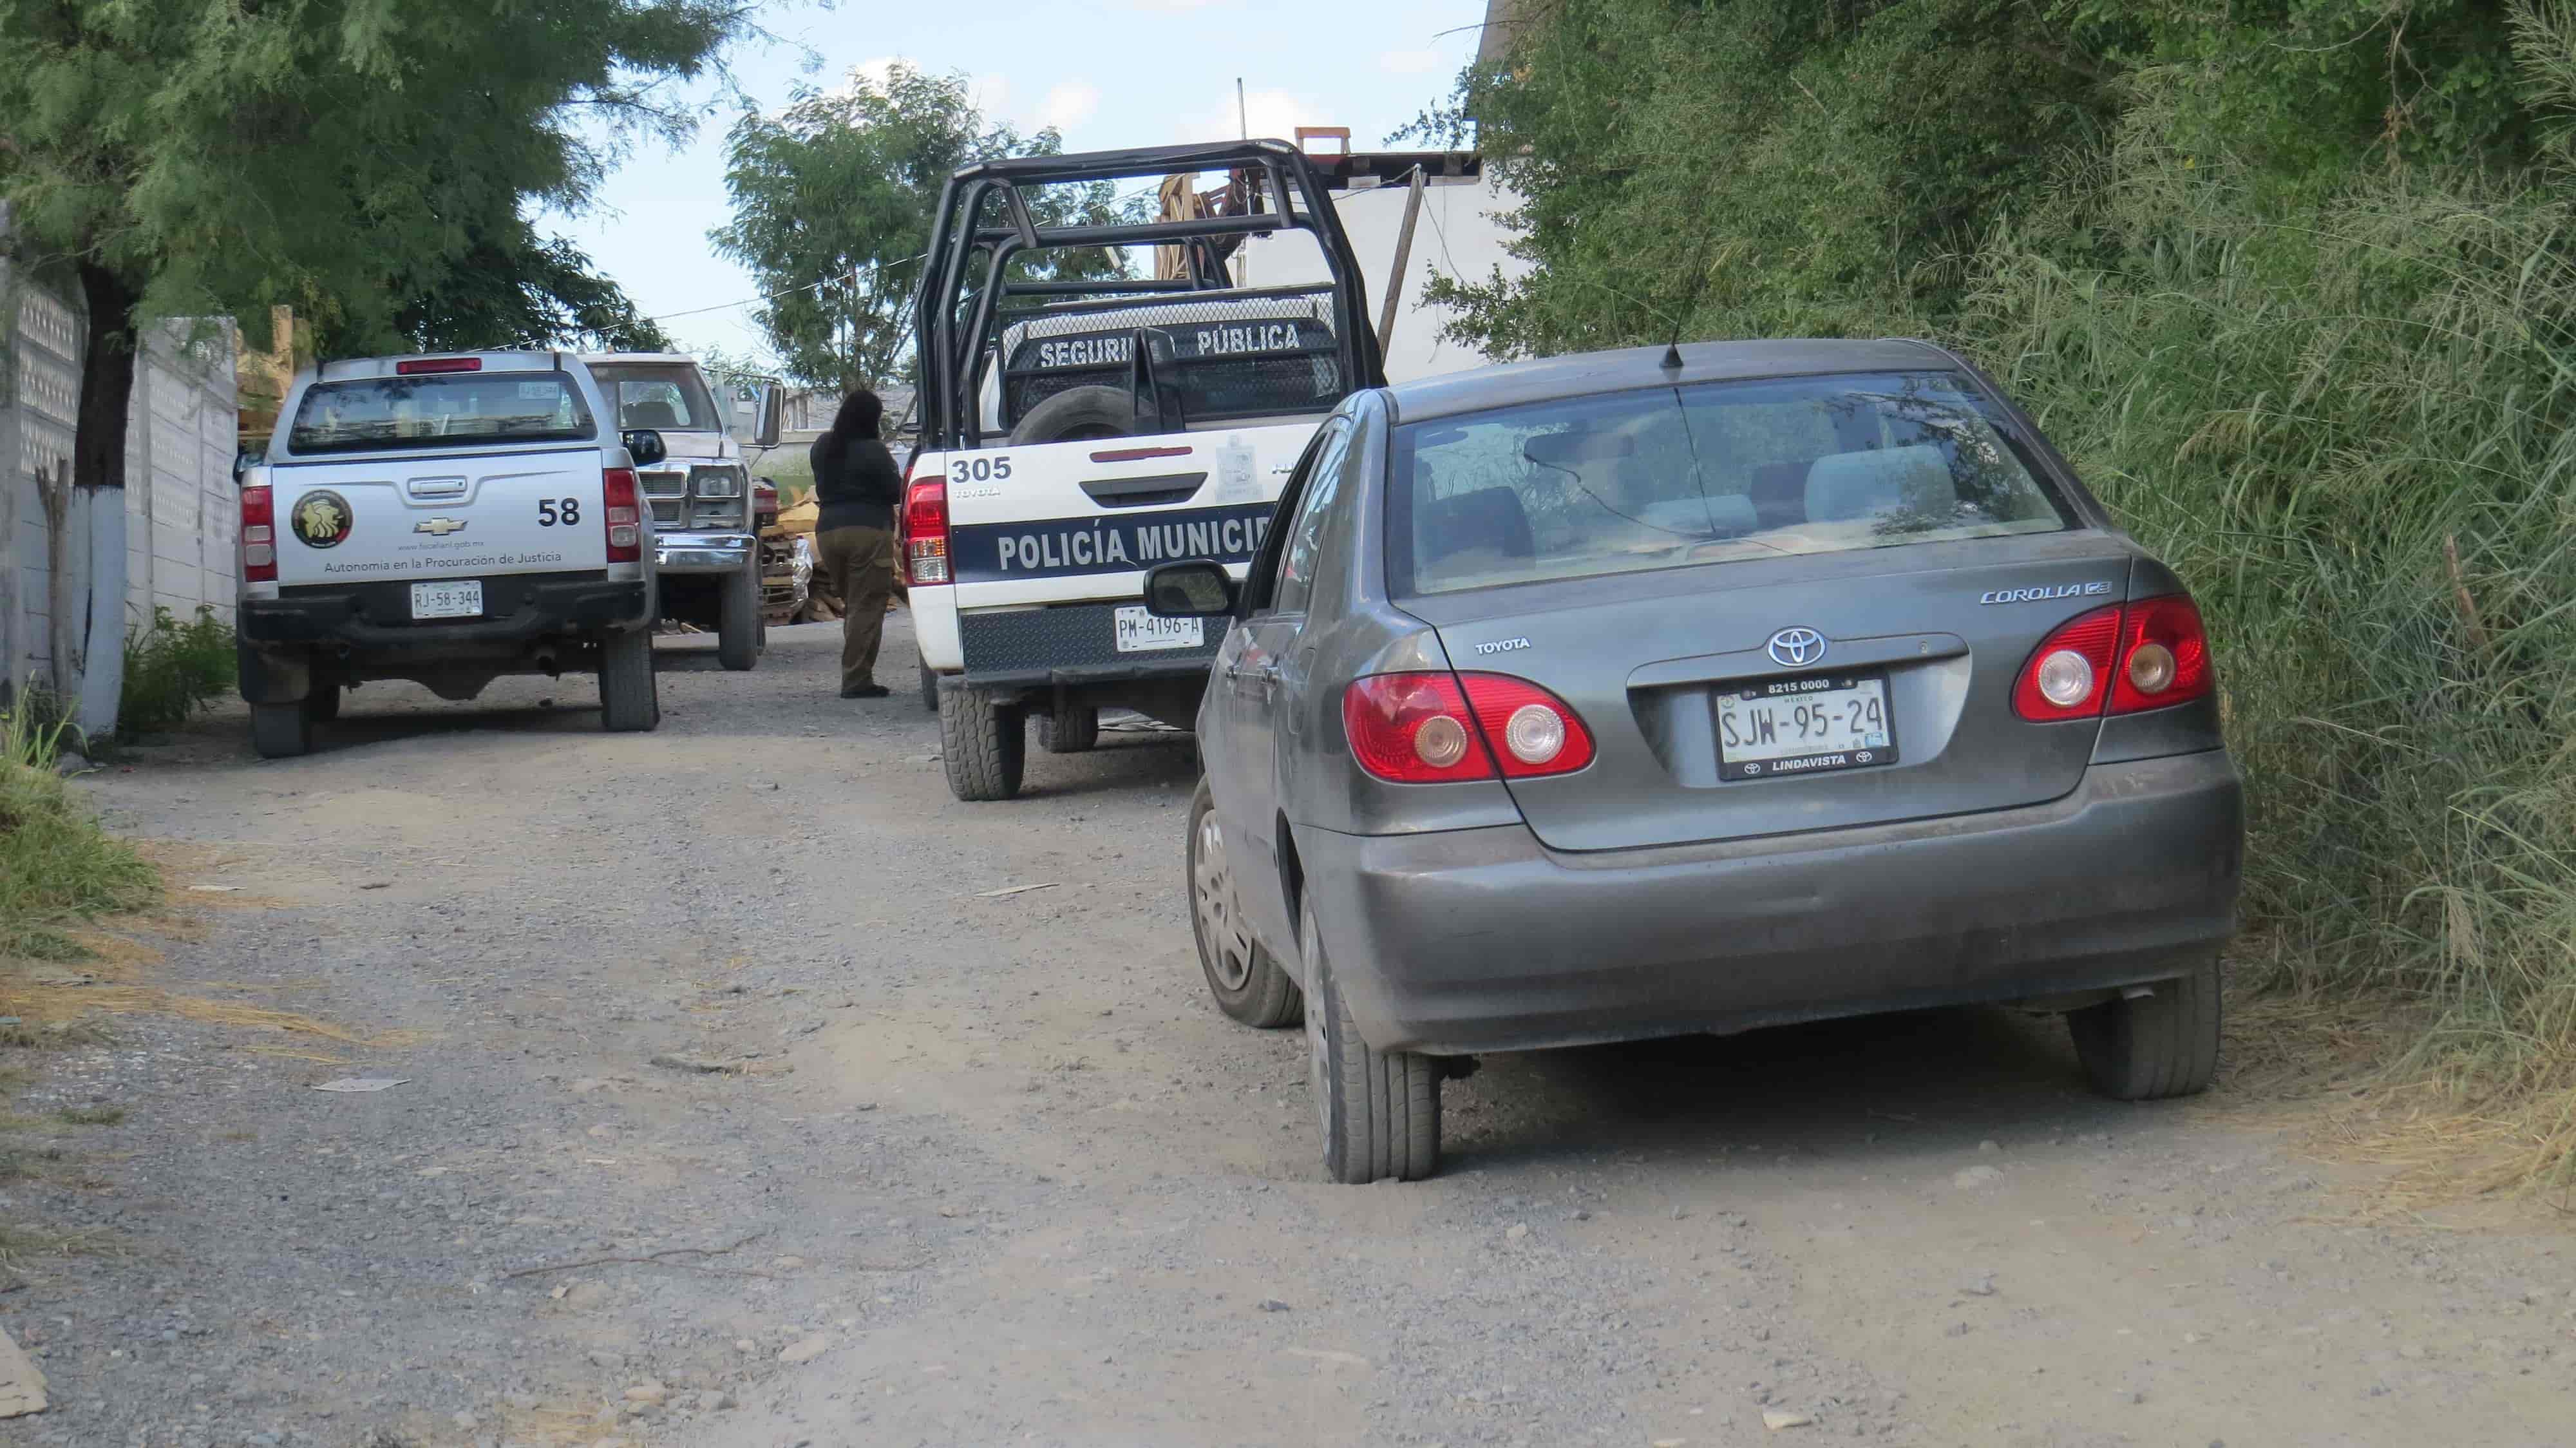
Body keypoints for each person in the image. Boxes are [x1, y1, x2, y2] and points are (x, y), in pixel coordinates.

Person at [808, 388, 904, 698]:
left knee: (854, 603)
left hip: (828, 531)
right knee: (867, 607)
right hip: (867, 531)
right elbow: (894, 492)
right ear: (872, 419)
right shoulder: (874, 450)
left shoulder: (823, 446)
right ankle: (856, 680)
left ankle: (856, 673)